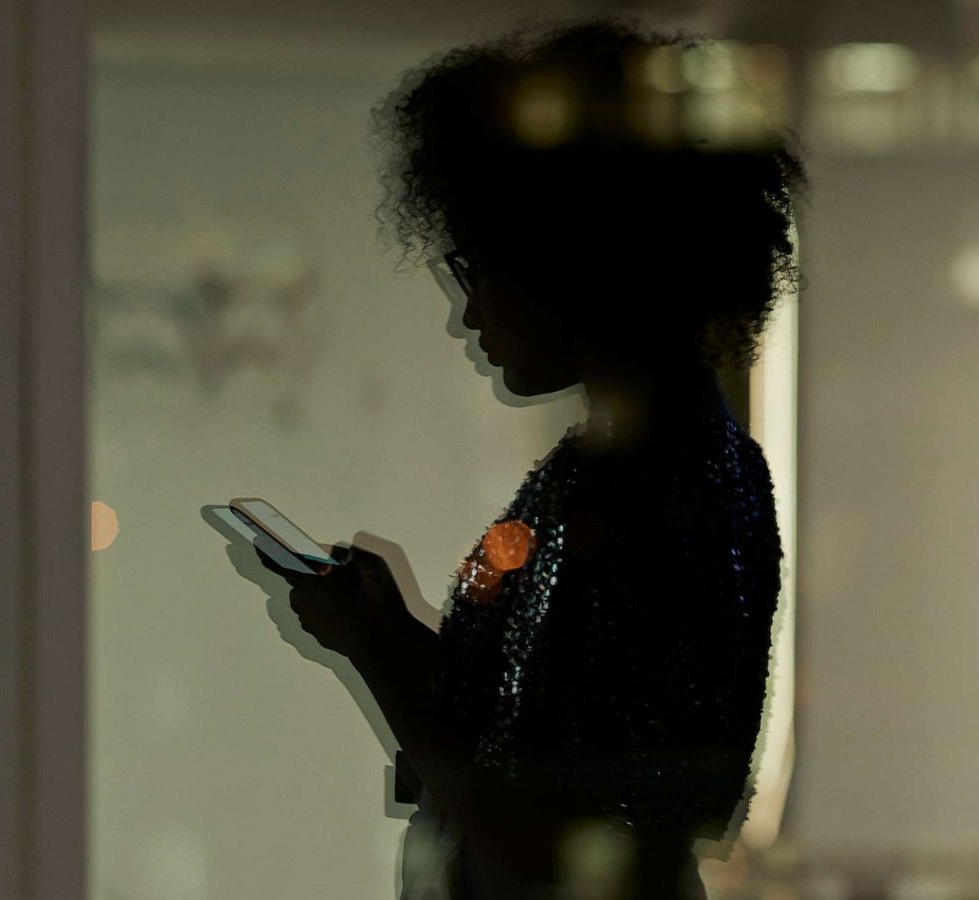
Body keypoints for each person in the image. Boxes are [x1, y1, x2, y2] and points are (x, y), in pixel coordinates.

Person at [237, 19, 802, 900]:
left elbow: (549, 833)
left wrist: (378, 646)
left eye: (476, 269)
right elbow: (524, 743)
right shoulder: (634, 468)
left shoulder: (657, 489)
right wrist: (384, 632)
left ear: (572, 262)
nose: (468, 314)